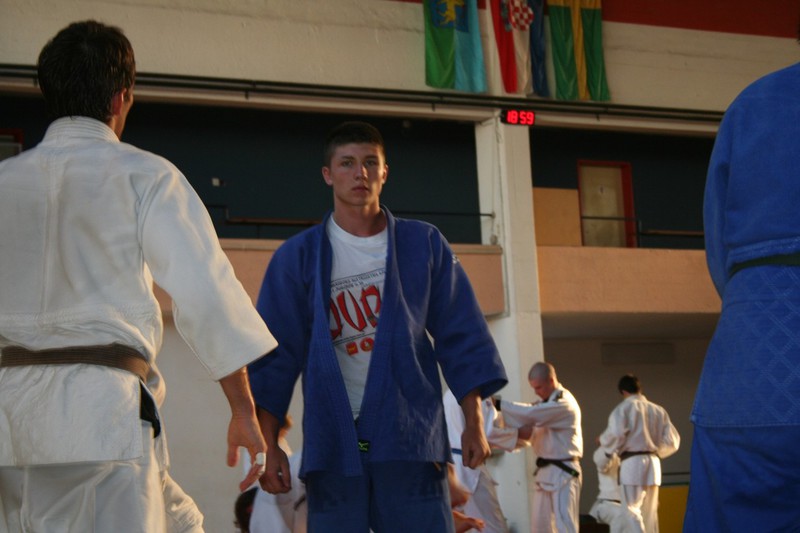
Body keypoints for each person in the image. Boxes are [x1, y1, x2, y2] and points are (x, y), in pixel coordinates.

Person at [0, 20, 278, 532]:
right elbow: (207, 293)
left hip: (7, 415)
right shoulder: (146, 175)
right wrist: (243, 408)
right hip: (102, 410)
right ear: (121, 98)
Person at [248, 121, 508, 531]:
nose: (360, 173)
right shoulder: (296, 257)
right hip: (333, 445)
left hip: (410, 439)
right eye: (347, 163)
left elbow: (462, 333)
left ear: (385, 172)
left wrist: (473, 422)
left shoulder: (423, 244)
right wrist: (269, 445)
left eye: (371, 162)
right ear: (328, 174)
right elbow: (274, 358)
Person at [499, 362, 583, 533]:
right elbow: (530, 427)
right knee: (540, 526)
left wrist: (498, 405)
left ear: (551, 380)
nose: (536, 392)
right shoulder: (544, 405)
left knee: (564, 525)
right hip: (546, 472)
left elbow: (530, 414)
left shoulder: (563, 403)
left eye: (538, 387)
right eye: (534, 388)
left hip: (564, 472)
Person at [598, 375, 679, 533]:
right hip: (654, 463)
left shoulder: (623, 409)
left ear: (623, 392)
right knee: (650, 513)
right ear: (639, 389)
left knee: (631, 509)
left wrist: (604, 444)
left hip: (632, 462)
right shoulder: (658, 410)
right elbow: (673, 441)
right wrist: (656, 451)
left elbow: (616, 434)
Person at [443, 389, 530, 532]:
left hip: (451, 466)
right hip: (470, 466)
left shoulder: (449, 393)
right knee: (492, 526)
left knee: (456, 523)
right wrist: (520, 435)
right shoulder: (475, 393)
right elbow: (487, 433)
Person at [587, 447, 623, 533]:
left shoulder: (631, 453)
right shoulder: (603, 452)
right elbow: (602, 464)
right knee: (621, 515)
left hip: (629, 505)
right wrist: (610, 445)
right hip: (607, 504)